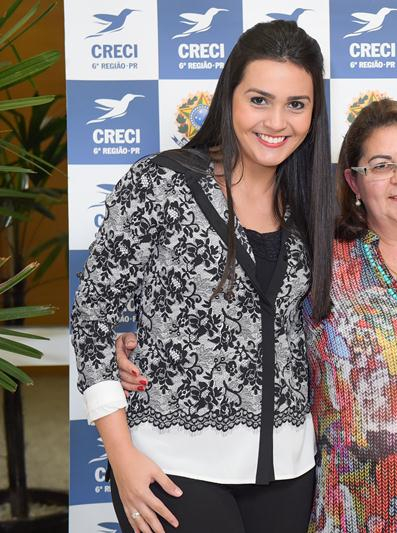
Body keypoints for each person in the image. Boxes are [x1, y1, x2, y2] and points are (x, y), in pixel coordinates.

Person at [118, 98, 397, 531]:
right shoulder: (315, 258)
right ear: (354, 182)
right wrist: (148, 346)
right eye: (381, 166)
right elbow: (240, 322)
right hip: (352, 514)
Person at [71, 21, 335, 533]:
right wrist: (121, 457)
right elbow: (93, 314)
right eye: (259, 100)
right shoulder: (163, 182)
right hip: (172, 465)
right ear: (228, 97)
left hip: (289, 466)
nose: (277, 121)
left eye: (296, 104)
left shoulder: (309, 203)